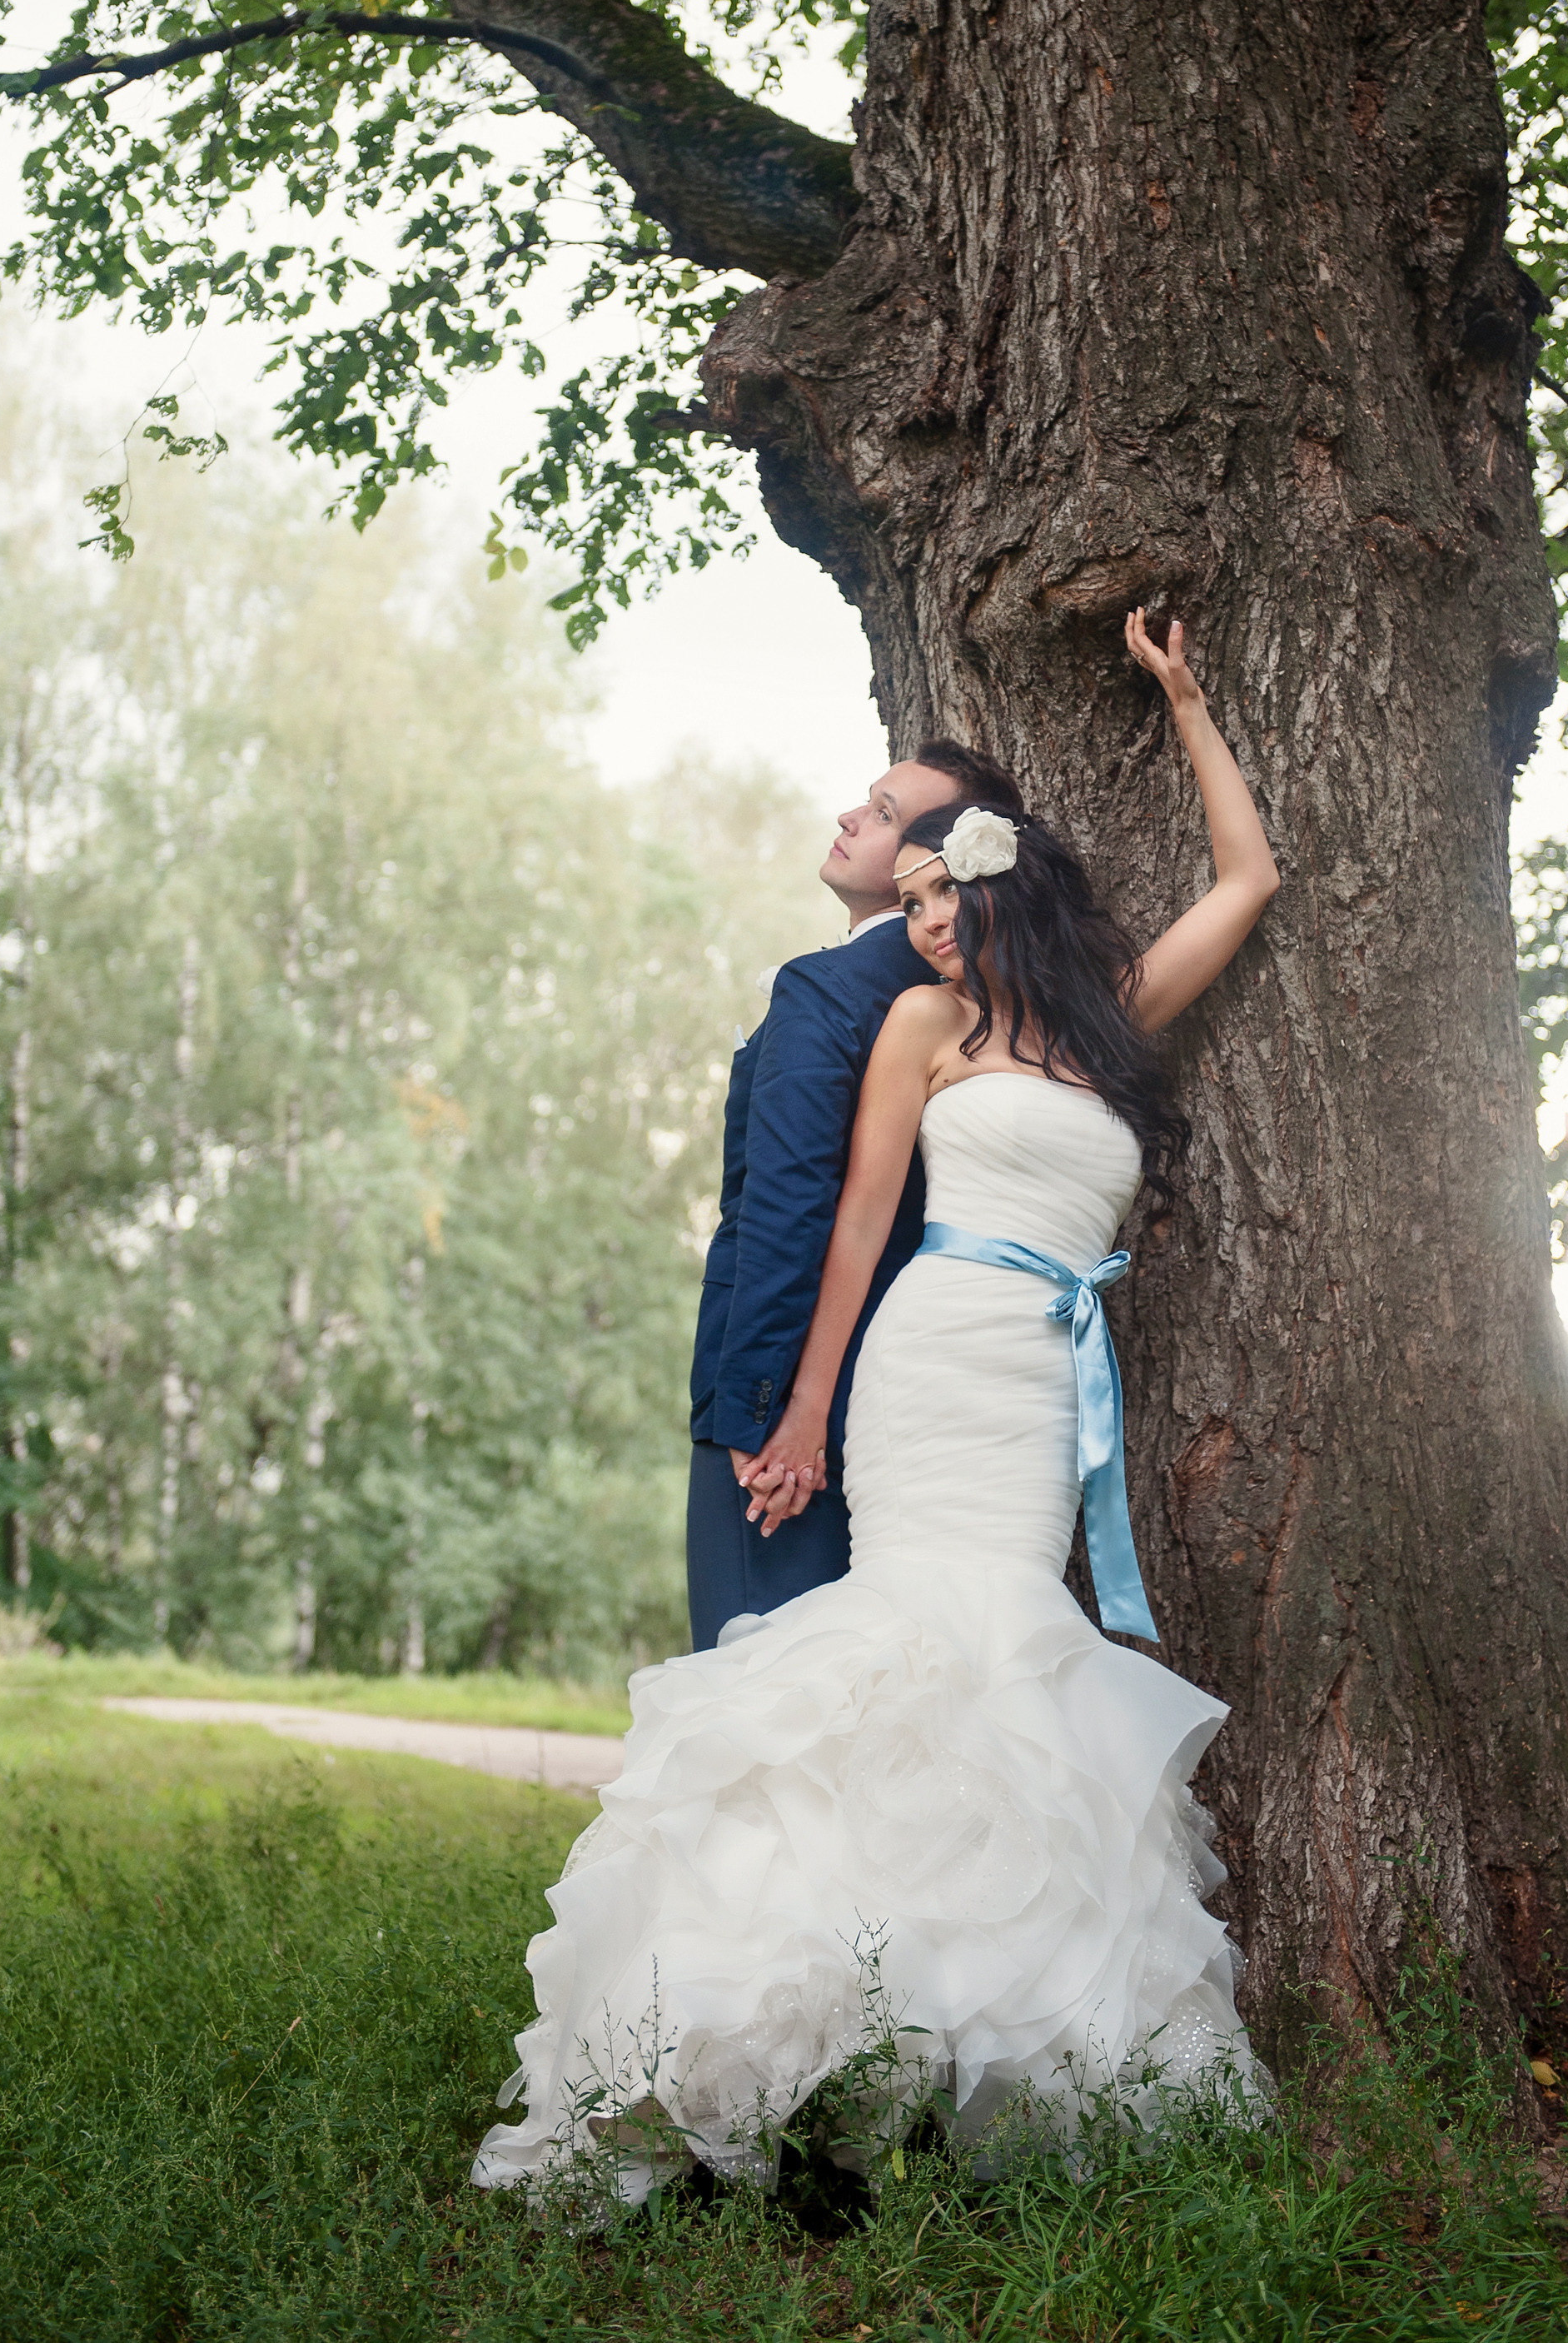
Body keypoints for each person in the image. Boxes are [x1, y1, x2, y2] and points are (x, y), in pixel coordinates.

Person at [475, 614, 1279, 2203]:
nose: (912, 924)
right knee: (902, 1652)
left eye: (932, 895)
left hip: (1043, 1388)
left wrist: (1187, 698)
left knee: (1007, 1675)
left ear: (995, 888)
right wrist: (799, 1420)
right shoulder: (926, 1027)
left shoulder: (1111, 1017)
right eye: (903, 900)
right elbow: (855, 1237)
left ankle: (958, 2041)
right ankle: (769, 2021)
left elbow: (1246, 879)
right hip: (923, 1364)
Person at [686, 735, 1023, 1652]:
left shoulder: (829, 991)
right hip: (920, 1394)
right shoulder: (991, 1007)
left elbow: (785, 1212)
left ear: (943, 862)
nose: (848, 817)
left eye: (882, 814)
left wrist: (760, 1411)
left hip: (786, 1402)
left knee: (754, 1686)